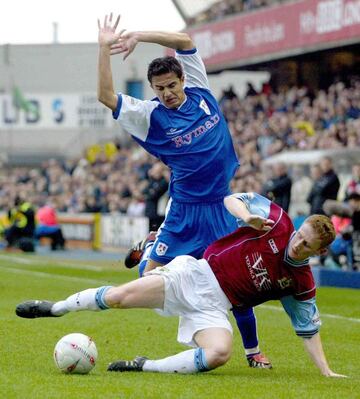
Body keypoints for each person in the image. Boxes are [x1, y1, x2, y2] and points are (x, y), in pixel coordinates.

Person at [97, 14, 270, 367]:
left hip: (221, 204)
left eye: (171, 85)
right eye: (159, 89)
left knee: (234, 284)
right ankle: (150, 244)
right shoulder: (150, 117)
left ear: (182, 79)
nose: (167, 93)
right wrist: (104, 48)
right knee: (149, 278)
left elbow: (184, 38)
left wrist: (138, 35)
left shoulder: (202, 91)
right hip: (185, 207)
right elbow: (103, 95)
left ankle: (253, 352)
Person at [16, 193, 346, 377]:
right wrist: (246, 216)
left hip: (217, 307)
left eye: (305, 245)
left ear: (319, 252)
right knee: (120, 296)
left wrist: (327, 372)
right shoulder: (278, 222)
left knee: (218, 353)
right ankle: (55, 309)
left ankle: (145, 365)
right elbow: (233, 198)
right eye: (299, 236)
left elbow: (308, 329)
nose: (296, 244)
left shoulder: (301, 282)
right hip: (195, 275)